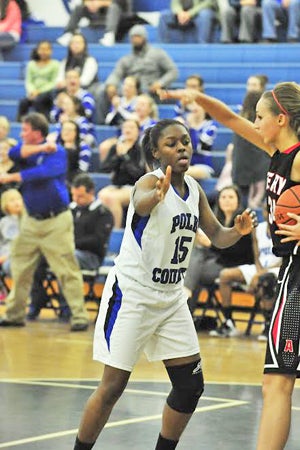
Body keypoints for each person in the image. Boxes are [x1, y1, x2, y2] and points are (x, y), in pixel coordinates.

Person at [72, 118, 257, 450]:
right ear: (157, 152)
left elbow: (217, 236)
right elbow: (141, 201)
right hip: (134, 293)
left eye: (185, 141)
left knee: (190, 386)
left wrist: (238, 232)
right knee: (113, 386)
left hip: (171, 298)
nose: (182, 147)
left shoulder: (196, 191)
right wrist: (154, 197)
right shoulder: (149, 182)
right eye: (172, 143)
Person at [160, 81, 300, 450]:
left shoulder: (299, 157)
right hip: (290, 269)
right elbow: (228, 118)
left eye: (260, 117)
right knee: (277, 381)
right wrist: (197, 99)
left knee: (277, 381)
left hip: (298, 272)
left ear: (281, 119)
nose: (253, 124)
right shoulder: (276, 149)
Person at [0, 112, 89, 332]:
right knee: (20, 268)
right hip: (30, 220)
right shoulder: (31, 151)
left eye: (25, 130)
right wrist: (41, 148)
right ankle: (14, 314)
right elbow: (12, 151)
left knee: (67, 269)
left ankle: (79, 316)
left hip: (56, 221)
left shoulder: (58, 152)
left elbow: (43, 172)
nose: (21, 133)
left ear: (37, 132)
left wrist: (11, 178)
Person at [27, 173, 114, 321]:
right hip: (65, 250)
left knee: (64, 257)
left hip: (90, 256)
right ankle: (38, 299)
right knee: (36, 256)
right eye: (73, 195)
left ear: (91, 192)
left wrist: (70, 244)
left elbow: (97, 241)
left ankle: (66, 305)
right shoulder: (69, 209)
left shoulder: (103, 213)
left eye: (80, 196)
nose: (75, 199)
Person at [183, 185, 255, 336]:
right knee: (196, 258)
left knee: (193, 269)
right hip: (218, 262)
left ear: (238, 201)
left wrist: (210, 244)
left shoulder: (242, 221)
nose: (227, 200)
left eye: (231, 197)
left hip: (235, 266)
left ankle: (185, 309)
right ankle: (186, 314)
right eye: (223, 197)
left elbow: (239, 252)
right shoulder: (216, 219)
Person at [210, 205, 281, 337]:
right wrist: (259, 271)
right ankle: (228, 321)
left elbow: (283, 260)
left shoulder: (283, 229)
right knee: (225, 275)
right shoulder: (258, 229)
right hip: (259, 268)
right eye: (268, 210)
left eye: (274, 210)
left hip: (277, 270)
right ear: (264, 212)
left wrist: (261, 275)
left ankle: (268, 324)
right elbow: (256, 255)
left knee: (266, 280)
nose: (270, 212)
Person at [95, 24, 178, 124]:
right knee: (103, 91)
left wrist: (160, 83)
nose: (135, 40)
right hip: (130, 90)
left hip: (149, 90)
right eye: (133, 37)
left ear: (144, 38)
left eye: (138, 37)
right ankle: (102, 124)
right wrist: (111, 84)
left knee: (143, 99)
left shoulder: (157, 54)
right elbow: (116, 74)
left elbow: (173, 71)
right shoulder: (127, 59)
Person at [98, 118, 147, 227]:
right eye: (125, 127)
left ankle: (116, 230)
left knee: (112, 199)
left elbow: (138, 173)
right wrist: (118, 156)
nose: (128, 130)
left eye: (131, 127)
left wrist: (125, 156)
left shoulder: (140, 149)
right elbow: (104, 168)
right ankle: (105, 228)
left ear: (138, 131)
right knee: (101, 195)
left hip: (134, 186)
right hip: (117, 185)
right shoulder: (116, 147)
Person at [231, 91, 270, 208]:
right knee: (253, 203)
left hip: (240, 167)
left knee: (242, 203)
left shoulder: (240, 119)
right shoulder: (258, 123)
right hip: (258, 169)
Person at [17, 40, 59, 121]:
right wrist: (32, 91)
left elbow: (53, 82)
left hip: (48, 93)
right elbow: (29, 81)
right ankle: (20, 123)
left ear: (51, 51)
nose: (43, 52)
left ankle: (44, 122)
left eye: (46, 49)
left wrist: (39, 91)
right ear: (37, 50)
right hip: (33, 93)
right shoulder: (31, 64)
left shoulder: (55, 64)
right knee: (23, 102)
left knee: (39, 101)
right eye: (41, 49)